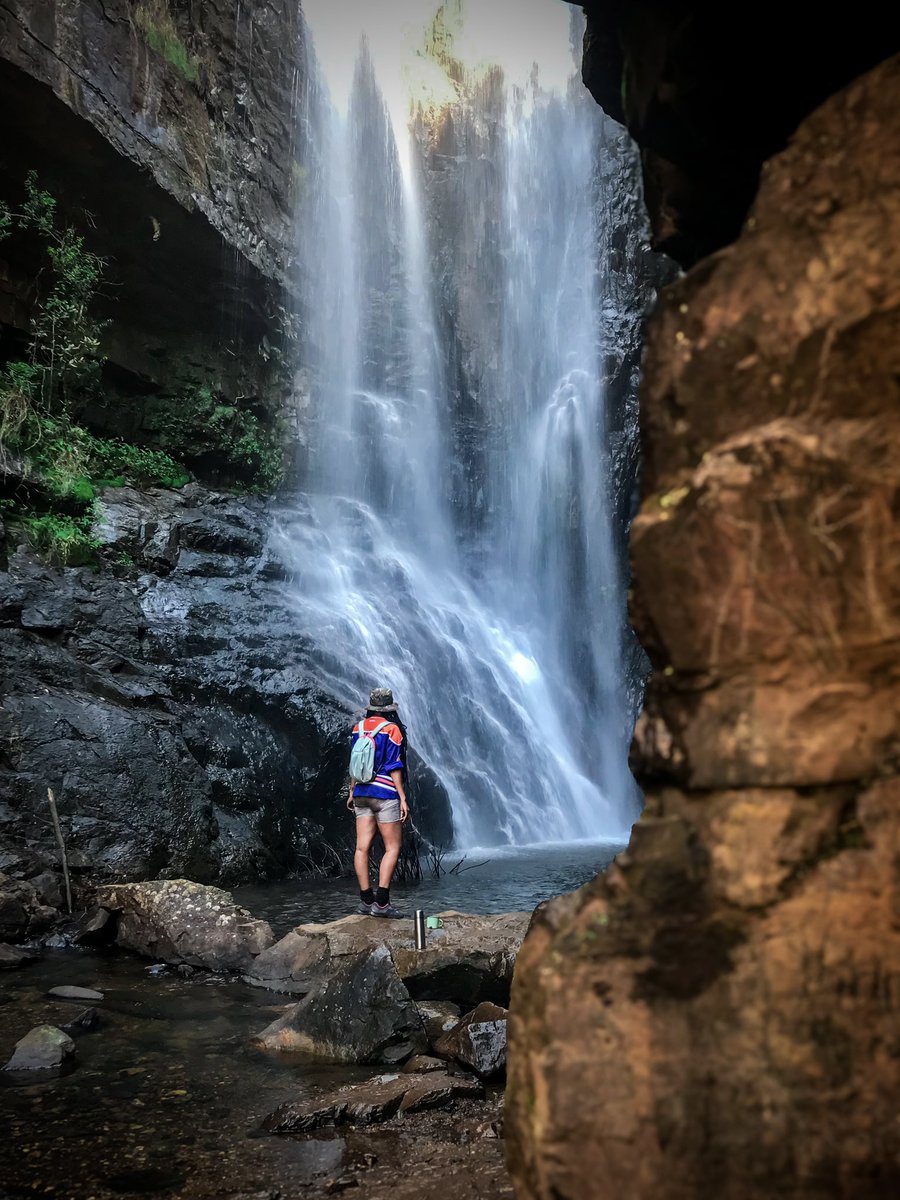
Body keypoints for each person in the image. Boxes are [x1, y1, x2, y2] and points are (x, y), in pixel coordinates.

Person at [347, 687, 409, 917]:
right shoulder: (392, 729)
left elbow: (355, 763)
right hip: (384, 794)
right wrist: (402, 797)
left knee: (361, 848)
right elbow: (394, 766)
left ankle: (365, 901)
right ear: (389, 708)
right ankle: (381, 904)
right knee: (392, 847)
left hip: (362, 792)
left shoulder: (358, 728)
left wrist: (352, 791)